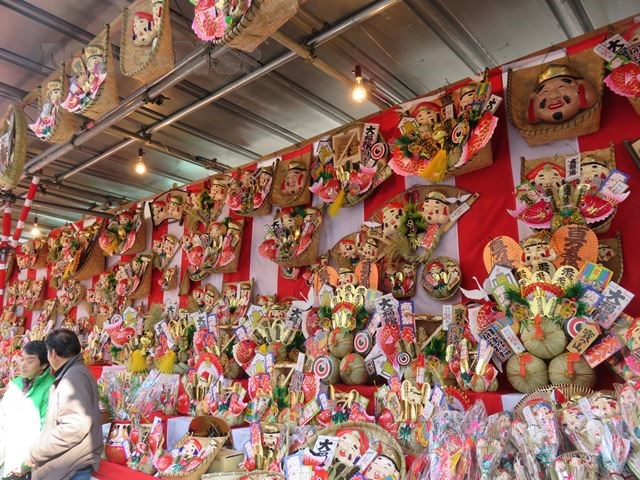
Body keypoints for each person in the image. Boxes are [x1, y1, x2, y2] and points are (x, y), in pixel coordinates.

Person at [14, 329, 103, 480]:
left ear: (53, 354)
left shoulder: (73, 378)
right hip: (70, 464)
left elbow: (74, 427)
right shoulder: (76, 372)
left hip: (71, 467)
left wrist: (35, 452)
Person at [0, 341, 54, 480]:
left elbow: (46, 431)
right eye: (22, 359)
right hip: (5, 458)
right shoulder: (15, 384)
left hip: (27, 463)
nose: (23, 365)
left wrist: (27, 463)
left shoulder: (52, 388)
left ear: (44, 365)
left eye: (30, 361)